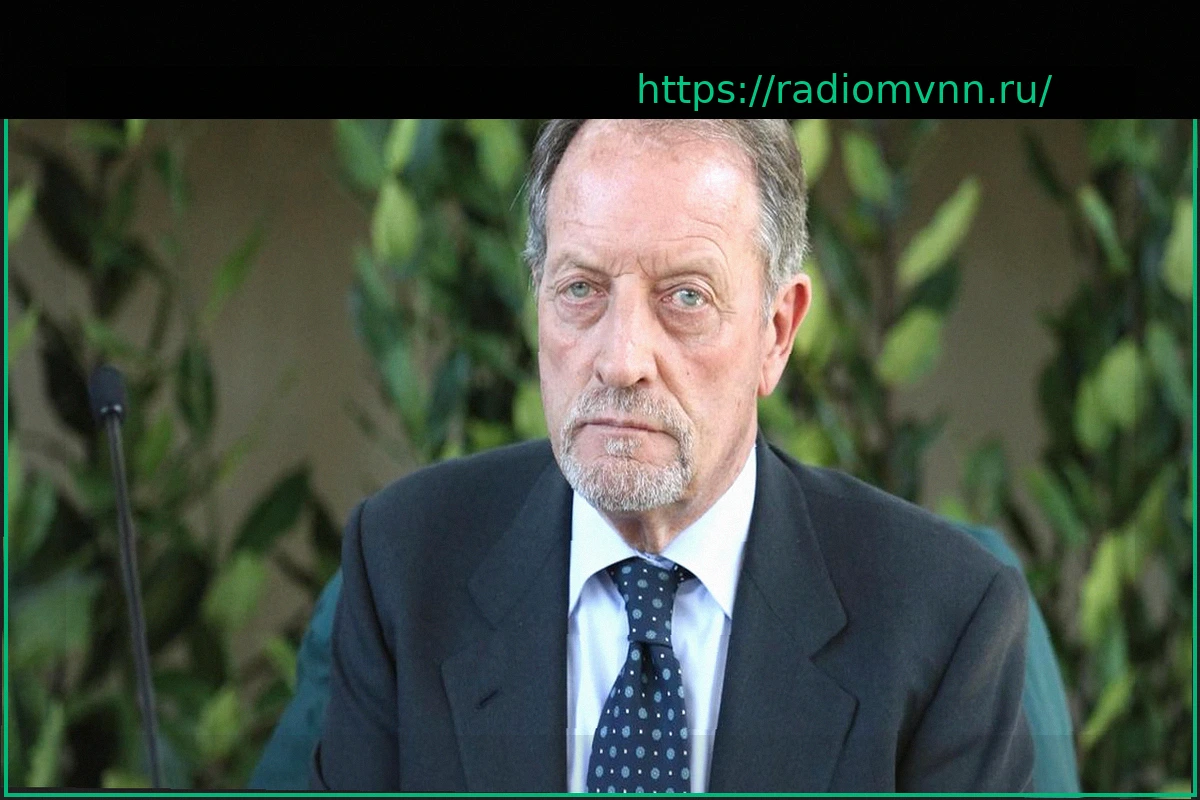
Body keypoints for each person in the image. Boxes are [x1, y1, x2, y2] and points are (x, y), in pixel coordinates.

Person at [309, 119, 1035, 792]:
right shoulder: (406, 562)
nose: (621, 360)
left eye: (685, 297)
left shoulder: (942, 616)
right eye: (580, 289)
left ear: (777, 332)